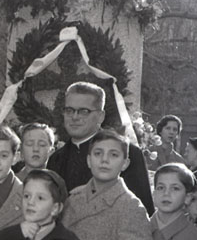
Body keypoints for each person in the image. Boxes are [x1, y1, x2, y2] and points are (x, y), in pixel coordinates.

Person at [47, 82, 154, 215]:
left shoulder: (128, 153)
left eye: (84, 111)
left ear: (100, 116)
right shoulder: (55, 159)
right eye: (69, 110)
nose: (74, 117)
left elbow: (142, 213)